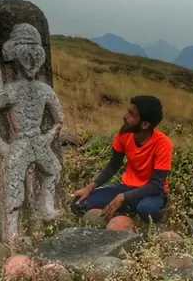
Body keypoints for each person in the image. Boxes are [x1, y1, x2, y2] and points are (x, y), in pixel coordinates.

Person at [71, 95, 172, 223]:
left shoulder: (163, 144)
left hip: (150, 194)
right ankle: (125, 211)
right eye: (128, 111)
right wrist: (89, 188)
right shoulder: (124, 133)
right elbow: (114, 164)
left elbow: (157, 185)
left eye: (131, 114)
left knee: (147, 210)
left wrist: (123, 197)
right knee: (79, 204)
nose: (125, 116)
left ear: (144, 124)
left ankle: (137, 212)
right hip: (127, 188)